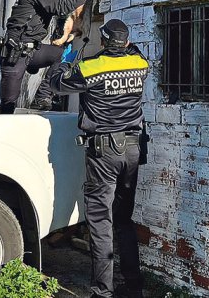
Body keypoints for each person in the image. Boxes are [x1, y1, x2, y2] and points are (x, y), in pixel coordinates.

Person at [49, 19, 149, 298]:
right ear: (126, 42)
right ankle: (133, 286)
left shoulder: (91, 67)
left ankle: (103, 291)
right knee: (124, 219)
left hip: (104, 152)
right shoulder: (140, 65)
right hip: (133, 148)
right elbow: (137, 52)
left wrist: (65, 58)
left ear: (103, 42)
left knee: (100, 220)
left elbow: (56, 84)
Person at [0, 0, 90, 114]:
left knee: (59, 55)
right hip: (15, 53)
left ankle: (42, 98)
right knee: (8, 102)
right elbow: (61, 7)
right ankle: (2, 131)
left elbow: (56, 4)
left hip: (30, 51)